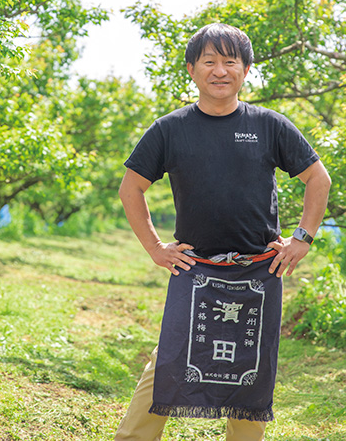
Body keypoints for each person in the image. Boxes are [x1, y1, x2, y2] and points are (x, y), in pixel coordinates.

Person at [115, 23, 331, 441]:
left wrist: (301, 239)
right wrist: (156, 248)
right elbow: (131, 188)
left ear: (245, 70)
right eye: (209, 61)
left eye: (230, 61)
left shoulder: (270, 125)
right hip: (194, 268)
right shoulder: (169, 129)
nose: (220, 70)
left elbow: (317, 179)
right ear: (192, 70)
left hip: (258, 270)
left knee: (252, 369)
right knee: (170, 360)